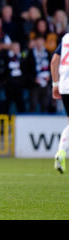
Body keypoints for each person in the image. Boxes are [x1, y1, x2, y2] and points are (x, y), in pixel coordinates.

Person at [51, 34, 69, 173]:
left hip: (64, 86)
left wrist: (55, 84)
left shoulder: (66, 38)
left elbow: (54, 61)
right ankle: (61, 151)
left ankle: (61, 152)